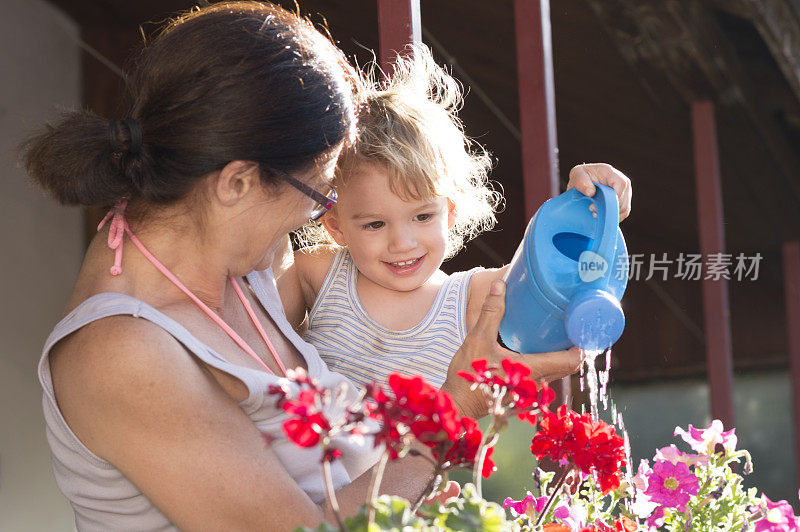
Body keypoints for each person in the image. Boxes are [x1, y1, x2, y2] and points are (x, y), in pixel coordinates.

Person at [22, 2, 581, 530]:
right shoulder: (121, 354)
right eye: (317, 194)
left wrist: (578, 217)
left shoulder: (246, 267)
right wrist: (453, 411)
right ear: (237, 182)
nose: (315, 217)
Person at [281, 47, 632, 390]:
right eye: (375, 224)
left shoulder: (471, 297)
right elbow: (257, 350)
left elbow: (547, 268)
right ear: (336, 226)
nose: (402, 243)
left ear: (449, 212)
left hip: (421, 451)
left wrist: (581, 200)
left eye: (422, 216)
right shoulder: (318, 272)